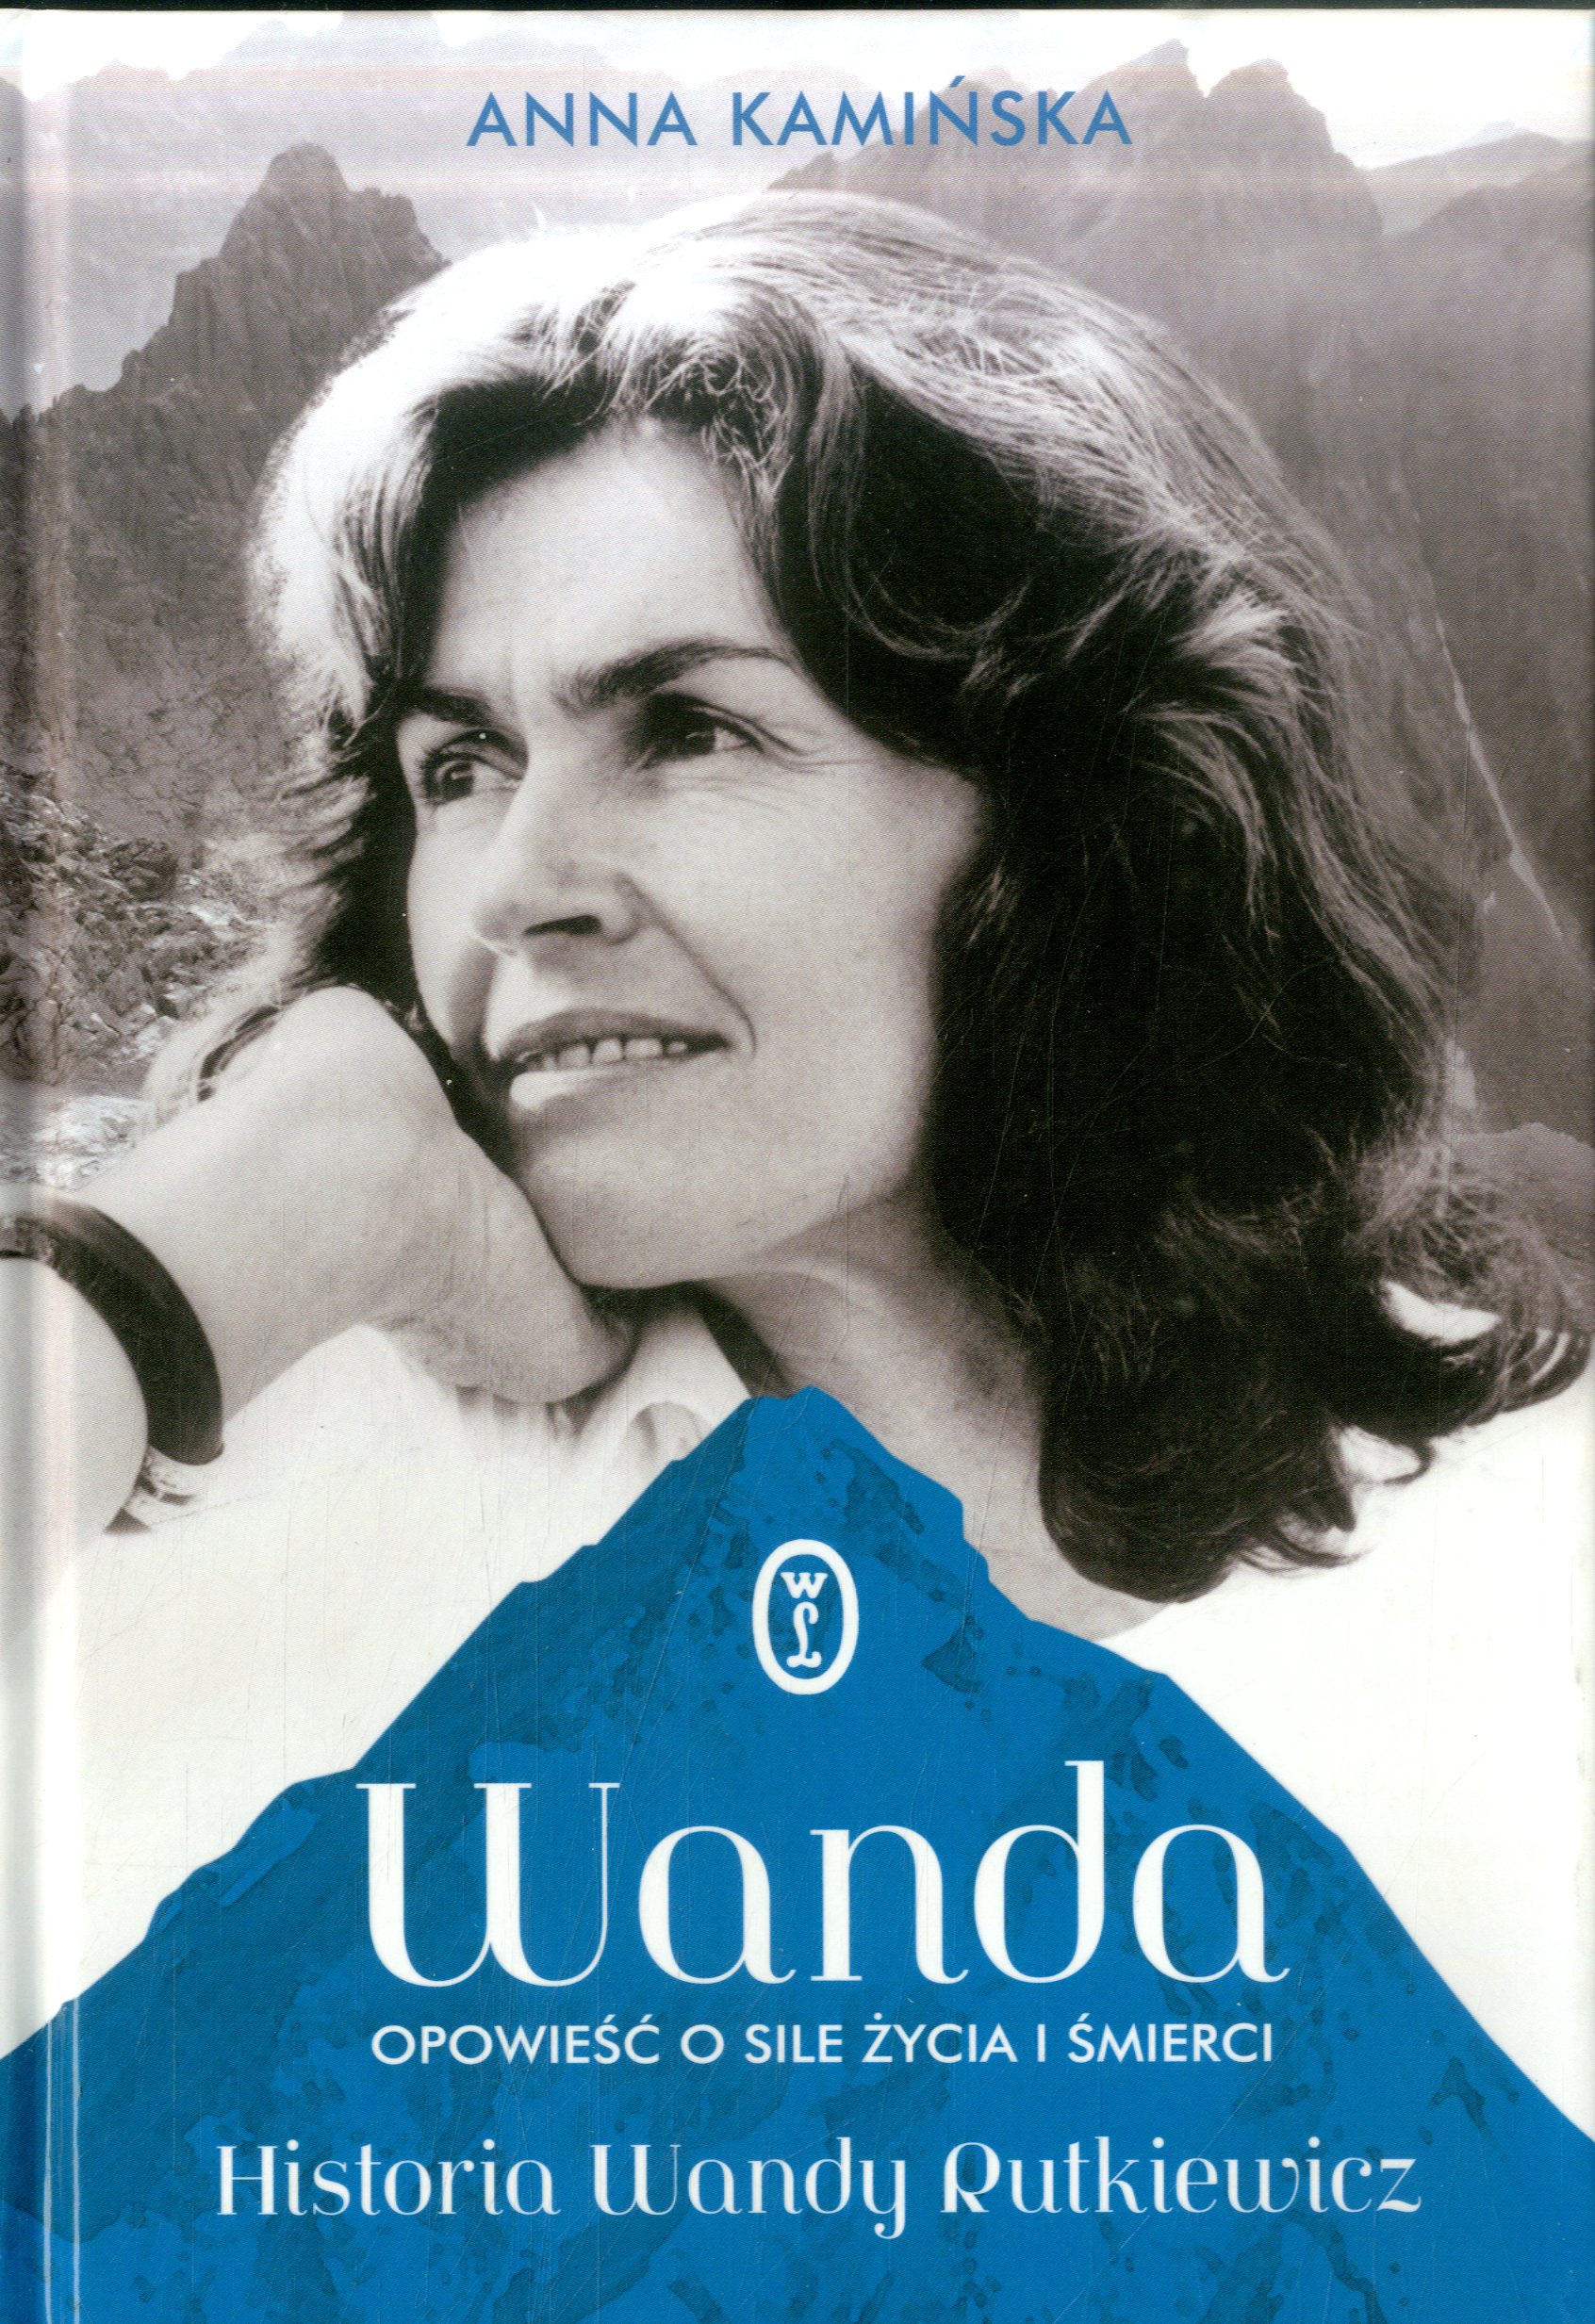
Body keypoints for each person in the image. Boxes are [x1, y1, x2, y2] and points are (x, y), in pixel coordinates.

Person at [2, 194, 1587, 2115]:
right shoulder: (263, 1477)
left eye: (684, 729)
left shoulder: (1524, 1550)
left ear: (1066, 827)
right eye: (459, 768)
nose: (514, 887)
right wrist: (175, 1265)